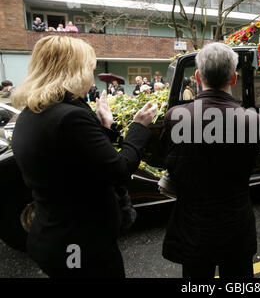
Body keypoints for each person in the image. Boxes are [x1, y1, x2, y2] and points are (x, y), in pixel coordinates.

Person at [10, 35, 157, 278]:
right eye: (90, 69)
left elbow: (81, 160)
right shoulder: (70, 118)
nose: (91, 77)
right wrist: (138, 127)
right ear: (74, 71)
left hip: (52, 233)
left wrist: (106, 126)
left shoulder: (33, 112)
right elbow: (119, 169)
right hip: (78, 245)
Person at [161, 42, 260, 278]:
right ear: (234, 78)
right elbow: (251, 165)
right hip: (236, 225)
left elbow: (170, 163)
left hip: (193, 227)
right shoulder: (251, 120)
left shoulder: (176, 117)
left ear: (197, 76)